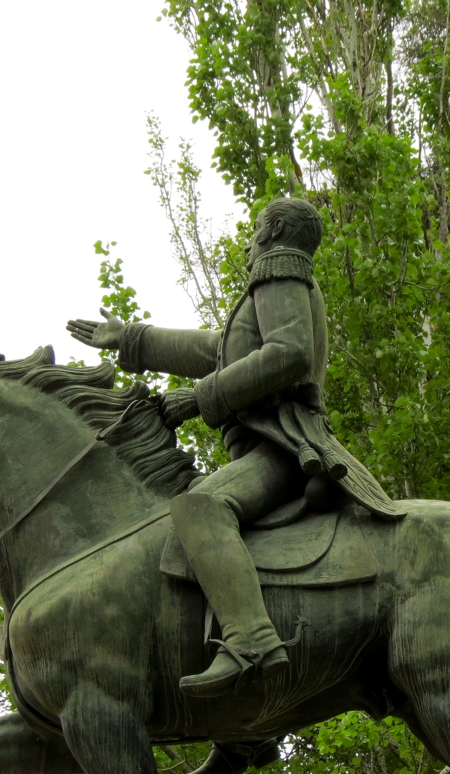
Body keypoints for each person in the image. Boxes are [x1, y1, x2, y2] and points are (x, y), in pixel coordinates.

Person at [68, 197, 402, 706]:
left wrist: (200, 398)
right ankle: (247, 734)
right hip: (272, 448)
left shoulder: (280, 270)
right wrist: (132, 338)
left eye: (255, 229)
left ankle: (251, 642)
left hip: (285, 448)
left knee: (200, 507)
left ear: (273, 230)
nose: (249, 244)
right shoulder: (271, 287)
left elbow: (289, 353)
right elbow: (218, 350)